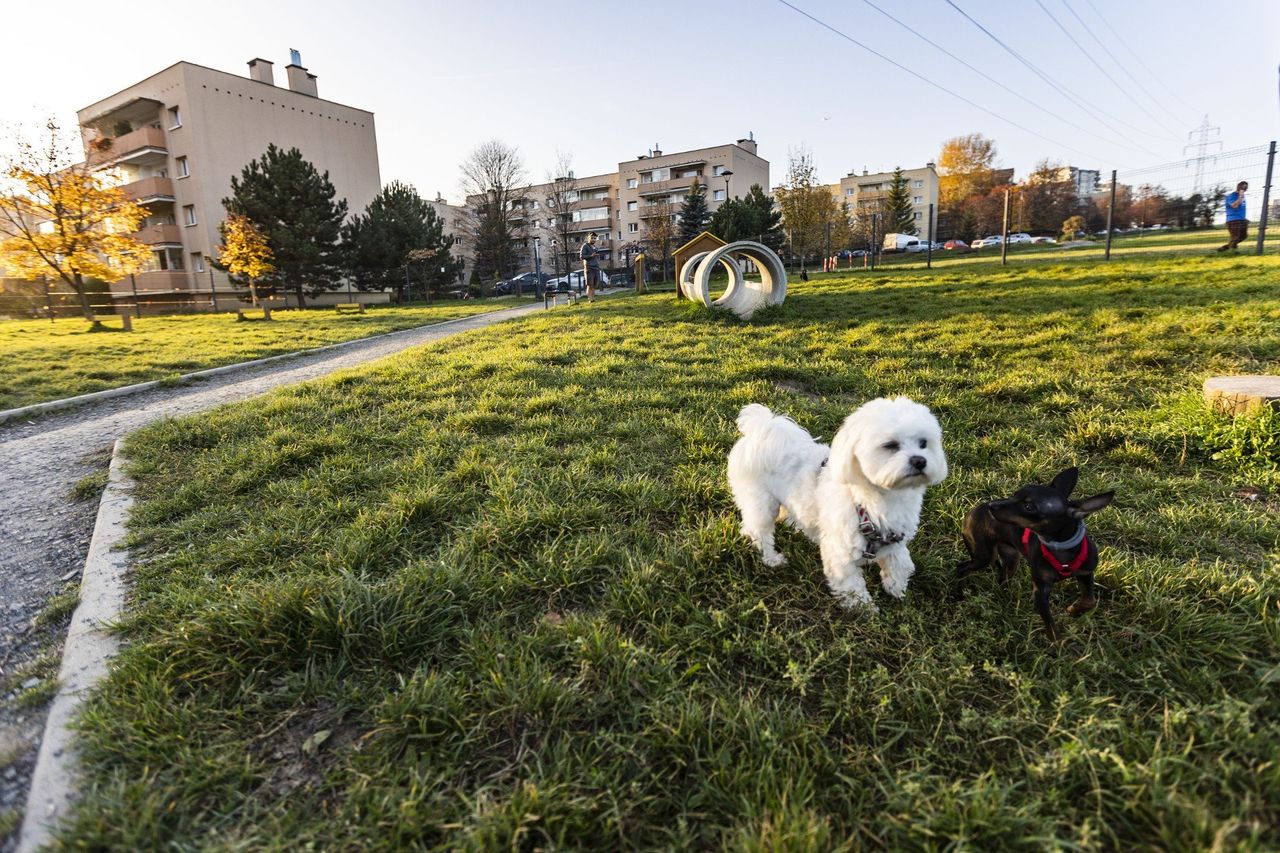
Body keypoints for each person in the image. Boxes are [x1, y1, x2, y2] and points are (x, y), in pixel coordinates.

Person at [1218, 181, 1249, 251]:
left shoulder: (1242, 197)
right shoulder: (1232, 195)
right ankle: (1232, 251)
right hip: (1233, 220)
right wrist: (1240, 196)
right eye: (1243, 187)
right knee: (1235, 237)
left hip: (1242, 219)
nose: (1245, 189)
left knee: (1244, 236)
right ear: (1239, 187)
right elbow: (1234, 206)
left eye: (1246, 187)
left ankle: (1224, 248)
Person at [580, 232, 602, 303]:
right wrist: (590, 256)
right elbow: (582, 256)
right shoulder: (585, 246)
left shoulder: (595, 247)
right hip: (589, 268)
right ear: (588, 238)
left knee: (595, 284)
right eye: (592, 238)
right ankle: (590, 299)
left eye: (595, 238)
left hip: (596, 267)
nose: (593, 239)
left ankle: (593, 298)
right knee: (590, 284)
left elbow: (595, 256)